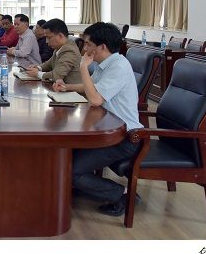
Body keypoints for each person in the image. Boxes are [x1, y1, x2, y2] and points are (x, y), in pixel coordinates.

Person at [53, 22, 142, 217]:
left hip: (123, 137)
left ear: (102, 47)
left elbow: (95, 99)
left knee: (71, 171)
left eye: (88, 44)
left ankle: (122, 195)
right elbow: (90, 87)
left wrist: (83, 67)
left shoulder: (118, 66)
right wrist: (66, 87)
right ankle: (78, 186)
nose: (85, 49)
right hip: (104, 130)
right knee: (62, 156)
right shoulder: (106, 63)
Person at [26, 18, 81, 84]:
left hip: (71, 89)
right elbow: (49, 63)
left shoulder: (70, 51)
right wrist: (38, 68)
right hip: (59, 87)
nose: (46, 41)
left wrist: (37, 73)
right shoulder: (60, 47)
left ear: (60, 36)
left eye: (49, 38)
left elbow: (57, 76)